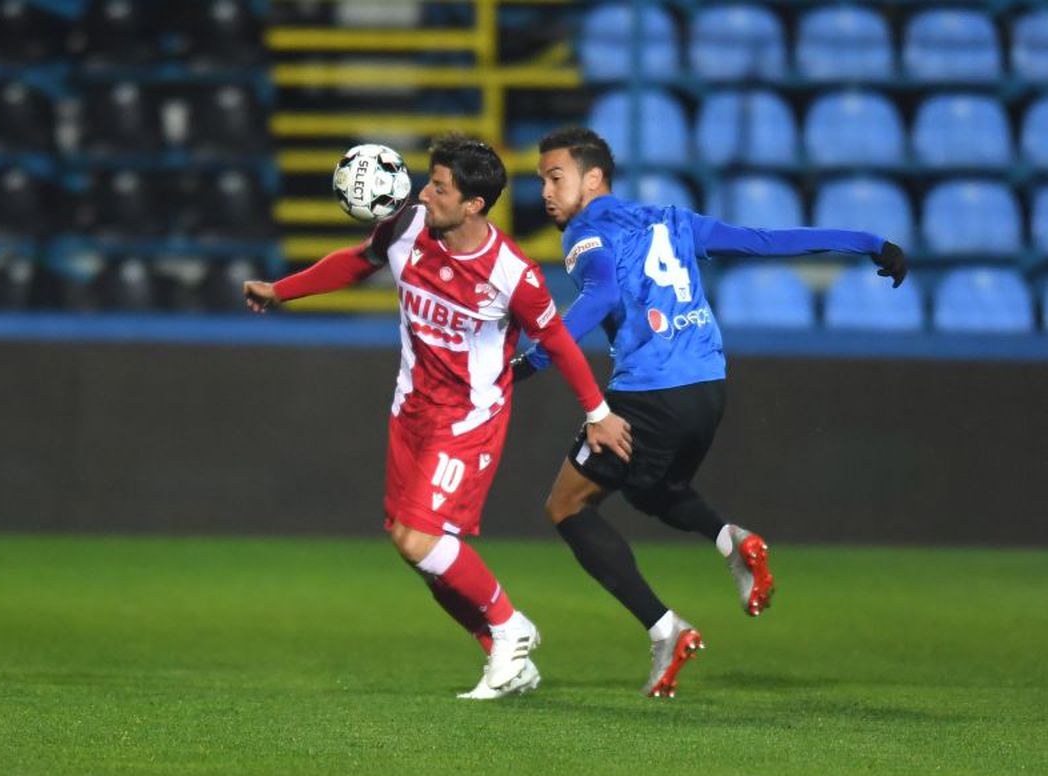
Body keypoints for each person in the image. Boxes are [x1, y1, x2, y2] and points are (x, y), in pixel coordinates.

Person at [512, 126, 907, 698]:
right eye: (541, 181)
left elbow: (600, 297)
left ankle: (665, 629)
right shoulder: (674, 219)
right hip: (708, 388)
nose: (546, 192)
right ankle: (731, 541)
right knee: (651, 490)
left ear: (593, 179)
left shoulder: (586, 231)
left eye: (556, 178)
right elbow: (764, 242)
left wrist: (533, 361)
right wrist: (869, 241)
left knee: (567, 506)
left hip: (649, 393)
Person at [244, 134, 632, 700]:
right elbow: (357, 262)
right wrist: (283, 290)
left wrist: (597, 412)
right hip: (411, 409)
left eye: (439, 187)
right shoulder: (405, 227)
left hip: (468, 418)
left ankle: (510, 627)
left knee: (422, 539)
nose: (424, 193)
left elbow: (559, 342)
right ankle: (504, 655)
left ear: (474, 204)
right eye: (430, 180)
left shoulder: (511, 272)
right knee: (410, 543)